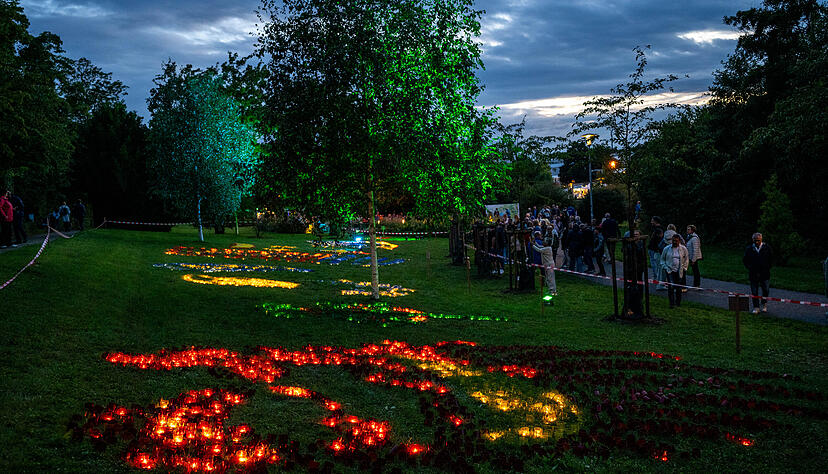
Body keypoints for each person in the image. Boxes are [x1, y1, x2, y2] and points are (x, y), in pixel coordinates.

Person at [743, 232, 773, 314]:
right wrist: (750, 268)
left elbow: (771, 260)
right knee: (754, 291)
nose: (757, 242)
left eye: (758, 241)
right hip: (753, 274)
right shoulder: (749, 249)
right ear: (753, 240)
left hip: (765, 273)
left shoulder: (767, 248)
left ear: (761, 240)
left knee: (765, 290)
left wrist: (766, 268)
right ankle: (756, 307)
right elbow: (745, 260)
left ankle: (764, 304)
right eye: (755, 241)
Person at [660, 233, 689, 309]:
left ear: (679, 241)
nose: (674, 242)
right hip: (670, 270)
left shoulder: (683, 249)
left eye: (676, 241)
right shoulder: (666, 248)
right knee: (671, 287)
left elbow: (686, 259)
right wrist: (665, 267)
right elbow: (662, 259)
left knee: (678, 287)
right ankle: (671, 303)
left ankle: (678, 302)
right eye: (673, 241)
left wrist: (685, 268)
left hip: (679, 270)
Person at [532, 232, 557, 299]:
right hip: (547, 264)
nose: (543, 242)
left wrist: (533, 245)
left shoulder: (547, 249)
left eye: (544, 241)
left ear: (547, 243)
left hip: (549, 264)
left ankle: (552, 291)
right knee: (548, 278)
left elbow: (539, 250)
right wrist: (535, 244)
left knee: (550, 278)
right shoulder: (547, 247)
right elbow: (540, 246)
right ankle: (551, 290)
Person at [647, 217, 665, 289]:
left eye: (652, 221)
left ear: (656, 221)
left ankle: (656, 277)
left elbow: (659, 238)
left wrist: (656, 247)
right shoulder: (656, 229)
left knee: (654, 263)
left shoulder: (658, 229)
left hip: (654, 249)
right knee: (654, 263)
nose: (651, 222)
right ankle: (656, 276)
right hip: (653, 248)